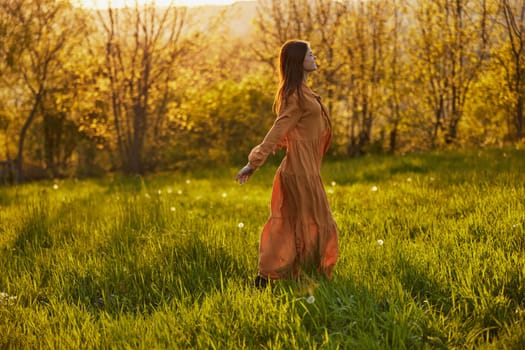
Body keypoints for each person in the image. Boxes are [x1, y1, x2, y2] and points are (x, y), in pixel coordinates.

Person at [235, 39, 339, 288]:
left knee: (295, 225)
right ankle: (306, 277)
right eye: (310, 54)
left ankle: (275, 278)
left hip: (306, 171)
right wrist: (254, 162)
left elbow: (293, 132)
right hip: (300, 173)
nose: (315, 58)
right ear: (298, 61)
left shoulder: (303, 92)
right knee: (318, 224)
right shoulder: (295, 96)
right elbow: (278, 129)